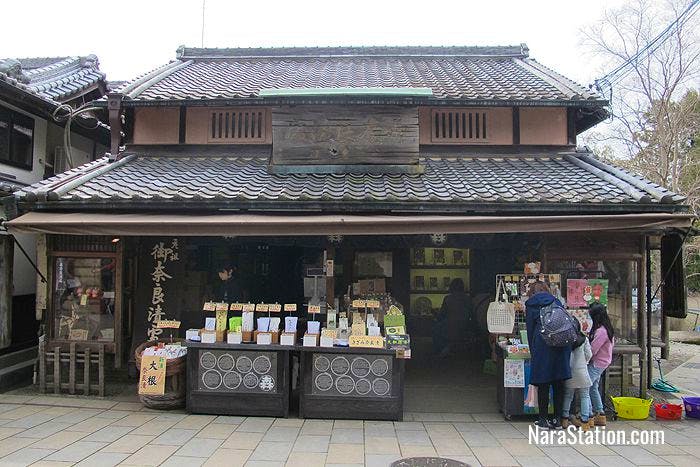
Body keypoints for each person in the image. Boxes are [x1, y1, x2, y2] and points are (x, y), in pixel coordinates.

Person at [525, 281, 572, 429]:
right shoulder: (556, 301)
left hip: (542, 344)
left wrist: (533, 349)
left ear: (532, 292)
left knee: (543, 383)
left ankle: (543, 419)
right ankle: (557, 419)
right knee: (558, 383)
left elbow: (530, 329)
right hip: (561, 344)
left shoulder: (531, 305)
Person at [561, 319, 593, 430]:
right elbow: (589, 354)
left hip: (569, 371)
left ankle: (564, 419)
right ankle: (585, 422)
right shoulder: (584, 339)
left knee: (568, 396)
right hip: (582, 370)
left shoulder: (565, 339)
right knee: (585, 396)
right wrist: (585, 362)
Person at [588, 303, 615, 426]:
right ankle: (600, 413)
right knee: (593, 387)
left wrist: (585, 358)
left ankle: (588, 415)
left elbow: (593, 350)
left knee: (585, 387)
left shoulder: (601, 332)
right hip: (602, 362)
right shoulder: (607, 329)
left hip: (597, 363)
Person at [433, 278, 472, 357]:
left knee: (436, 328)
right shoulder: (468, 298)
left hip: (449, 326)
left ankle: (441, 350)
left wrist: (435, 313)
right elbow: (471, 313)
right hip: (465, 326)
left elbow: (442, 315)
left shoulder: (448, 298)